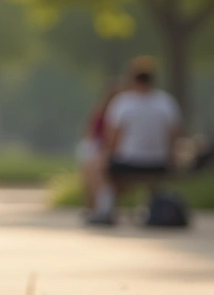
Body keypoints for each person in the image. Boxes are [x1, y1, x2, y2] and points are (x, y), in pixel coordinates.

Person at [86, 57, 182, 226]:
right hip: (159, 161)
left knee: (96, 165)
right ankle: (152, 205)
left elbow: (113, 138)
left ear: (131, 79)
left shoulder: (122, 103)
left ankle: (104, 210)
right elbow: (174, 135)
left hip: (129, 161)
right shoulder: (166, 102)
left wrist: (108, 156)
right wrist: (170, 156)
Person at [76, 81, 122, 211]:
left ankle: (101, 206)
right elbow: (92, 136)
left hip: (111, 151)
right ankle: (94, 204)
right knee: (92, 167)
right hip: (98, 148)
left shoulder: (121, 114)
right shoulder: (102, 114)